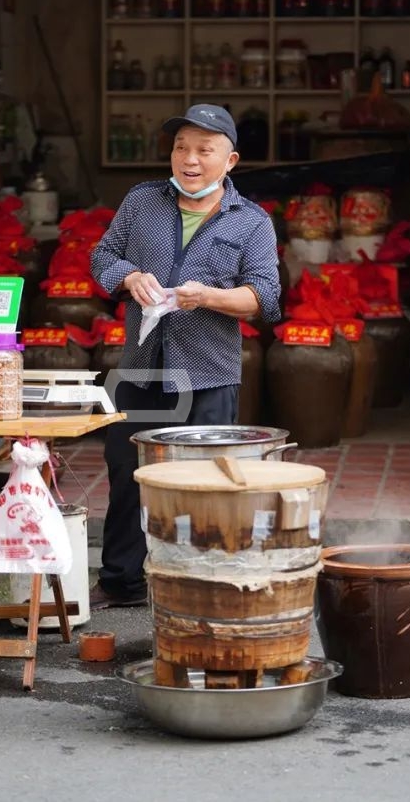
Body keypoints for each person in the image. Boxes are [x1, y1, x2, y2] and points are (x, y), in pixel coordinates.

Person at [88, 104, 282, 610]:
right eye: (181, 147)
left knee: (206, 481)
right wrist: (129, 277)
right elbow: (103, 256)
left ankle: (200, 583)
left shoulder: (253, 222)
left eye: (204, 149)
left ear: (230, 159)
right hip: (141, 363)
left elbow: (266, 300)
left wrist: (209, 297)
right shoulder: (141, 201)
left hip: (207, 373)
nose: (189, 160)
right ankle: (121, 582)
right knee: (126, 470)